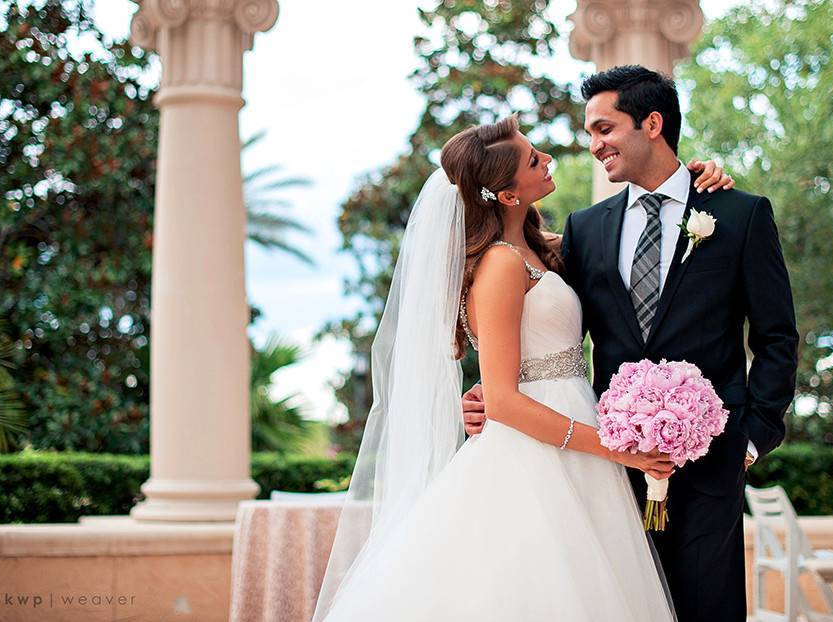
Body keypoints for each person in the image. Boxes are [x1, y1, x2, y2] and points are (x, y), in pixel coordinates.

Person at [311, 110, 735, 621]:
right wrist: (619, 451)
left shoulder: (538, 250)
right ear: (509, 195)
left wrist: (696, 179)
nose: (549, 158)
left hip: (576, 431)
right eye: (534, 159)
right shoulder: (501, 265)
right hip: (541, 450)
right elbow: (506, 401)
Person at [463, 65, 799, 622]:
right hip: (605, 470)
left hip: (710, 460)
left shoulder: (739, 215)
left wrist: (752, 439)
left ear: (652, 123)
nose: (592, 146)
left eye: (603, 129)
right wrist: (488, 393)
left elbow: (777, 336)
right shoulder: (583, 229)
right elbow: (545, 325)